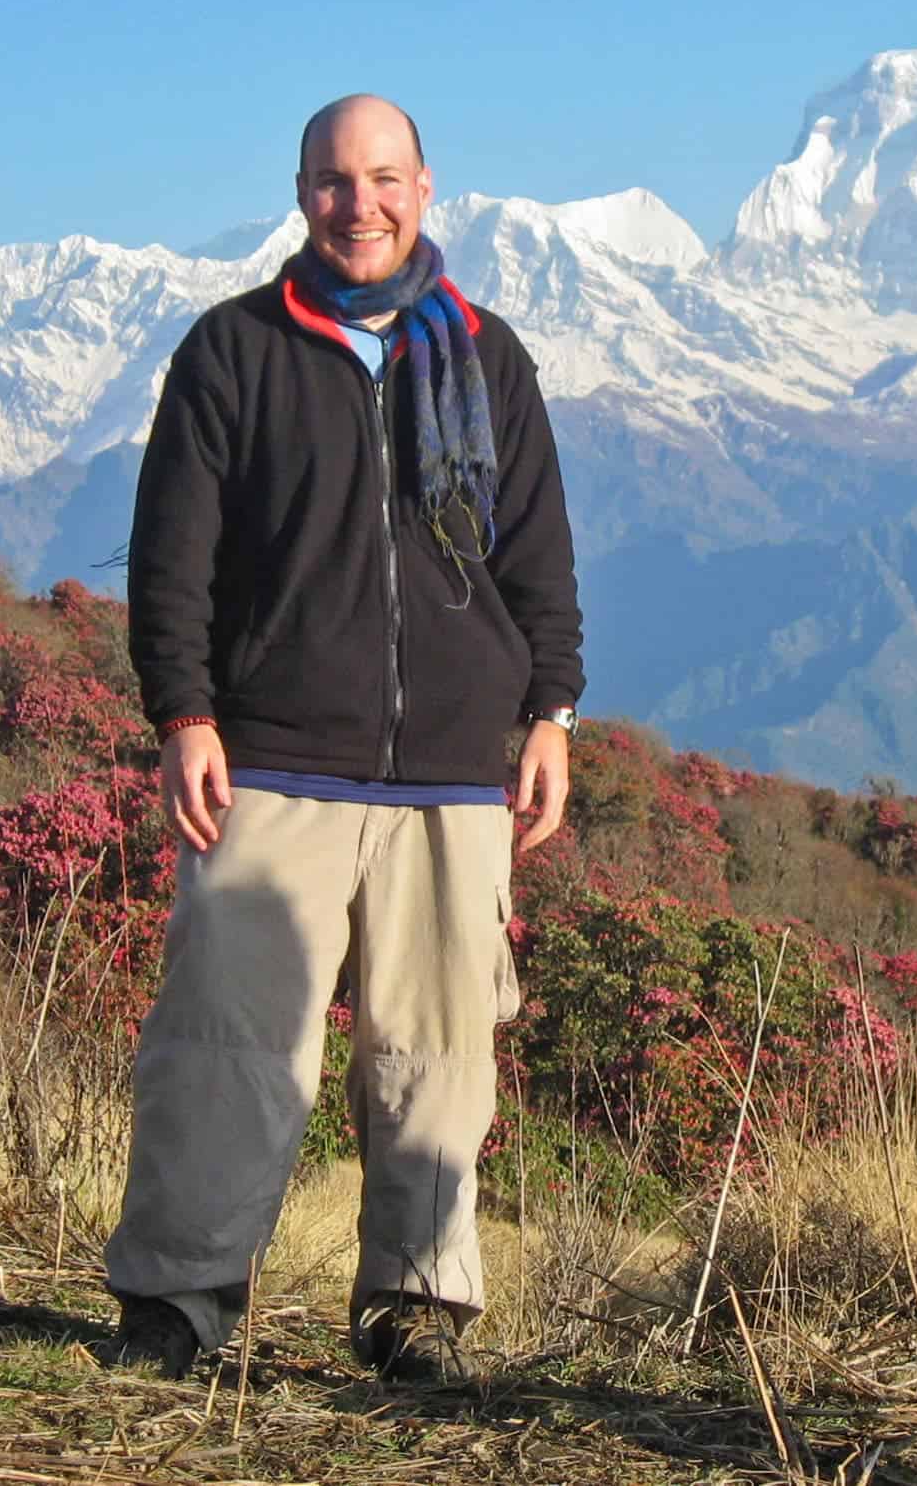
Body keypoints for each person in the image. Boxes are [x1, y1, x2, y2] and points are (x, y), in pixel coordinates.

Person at [102, 94, 584, 1386]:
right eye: (331, 180)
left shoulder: (490, 361)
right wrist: (184, 713)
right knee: (227, 1040)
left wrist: (553, 710)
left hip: (452, 771)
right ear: (300, 192)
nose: (356, 204)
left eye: (381, 178)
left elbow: (535, 556)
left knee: (437, 1049)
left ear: (428, 189)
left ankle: (416, 1310)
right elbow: (173, 560)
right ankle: (178, 1302)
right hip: (270, 759)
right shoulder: (233, 353)